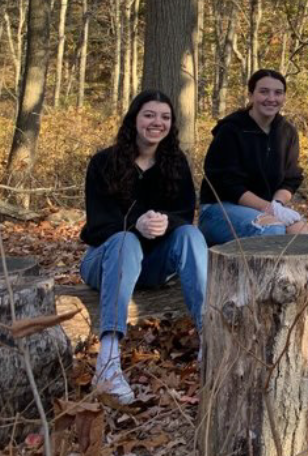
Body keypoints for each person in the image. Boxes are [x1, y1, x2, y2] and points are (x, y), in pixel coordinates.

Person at [80, 90, 207, 405]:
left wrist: (165, 222)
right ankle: (108, 363)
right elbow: (96, 224)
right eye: (149, 115)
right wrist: (135, 224)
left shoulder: (175, 163)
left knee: (191, 234)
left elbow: (183, 214)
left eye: (165, 117)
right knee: (125, 241)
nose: (157, 122)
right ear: (134, 119)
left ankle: (211, 339)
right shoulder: (103, 162)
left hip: (152, 265)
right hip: (104, 259)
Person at [198, 69, 308, 245]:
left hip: (266, 208)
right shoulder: (231, 130)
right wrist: (269, 208)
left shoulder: (287, 132)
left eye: (278, 93)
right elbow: (227, 184)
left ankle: (289, 274)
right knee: (271, 229)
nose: (271, 98)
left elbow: (291, 178)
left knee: (299, 230)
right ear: (250, 95)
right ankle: (255, 273)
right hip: (219, 209)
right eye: (264, 91)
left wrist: (277, 205)